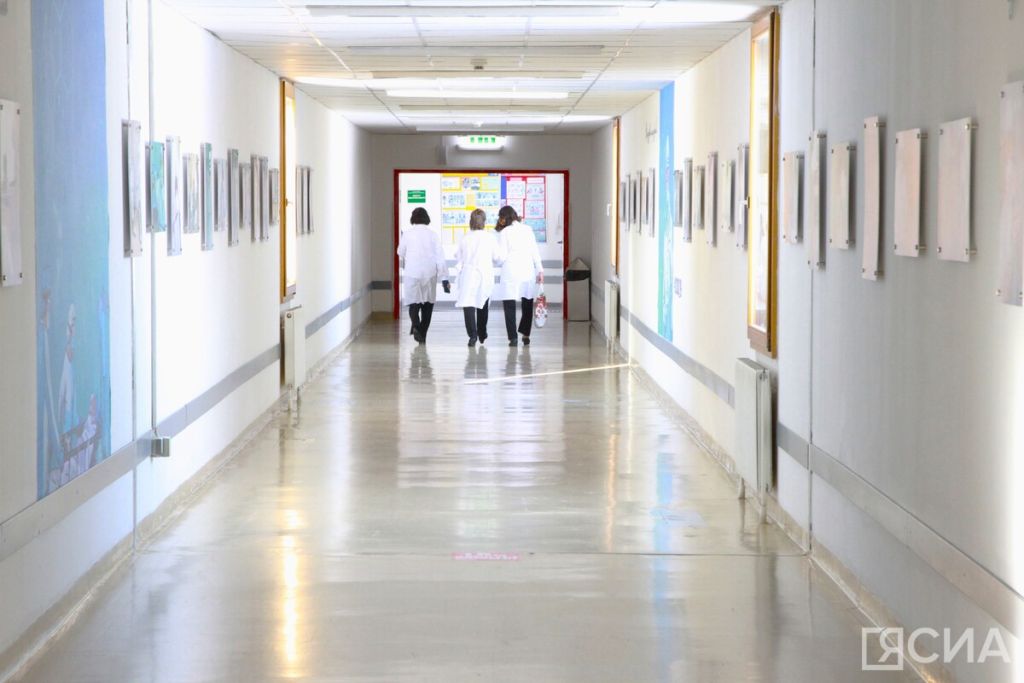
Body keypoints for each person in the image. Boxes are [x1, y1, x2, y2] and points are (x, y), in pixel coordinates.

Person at [396, 207, 449, 343]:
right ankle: (422, 335)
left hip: (412, 272)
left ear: (413, 218)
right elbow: (440, 257)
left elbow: (400, 252)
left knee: (413, 303)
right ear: (426, 218)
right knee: (428, 305)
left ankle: (416, 325)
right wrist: (444, 278)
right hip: (429, 273)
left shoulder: (407, 234)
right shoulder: (433, 235)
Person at [494, 205, 543, 346]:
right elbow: (534, 251)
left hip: (510, 272)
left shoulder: (504, 233)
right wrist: (540, 270)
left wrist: (494, 260)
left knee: (509, 305)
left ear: (504, 218)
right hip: (527, 271)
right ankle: (526, 334)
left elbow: (501, 257)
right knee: (527, 303)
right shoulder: (527, 229)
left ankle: (513, 338)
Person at [455, 209, 503, 346]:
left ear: (471, 221)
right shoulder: (490, 238)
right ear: (484, 221)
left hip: (468, 274)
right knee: (483, 303)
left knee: (468, 304)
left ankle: (472, 335)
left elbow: (459, 257)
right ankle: (482, 332)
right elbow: (497, 258)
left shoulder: (465, 238)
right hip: (485, 274)